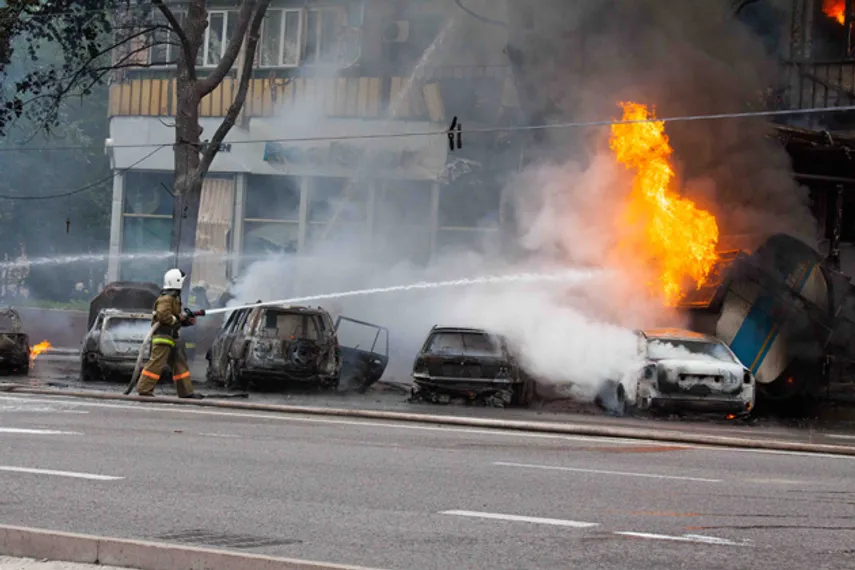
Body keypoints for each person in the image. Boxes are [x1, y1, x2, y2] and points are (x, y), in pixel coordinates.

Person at [136, 268, 204, 399]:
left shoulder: (173, 298)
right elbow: (163, 315)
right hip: (162, 337)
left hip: (172, 337)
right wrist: (178, 318)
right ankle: (144, 389)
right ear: (177, 282)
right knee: (156, 363)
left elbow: (174, 318)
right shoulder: (166, 299)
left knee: (180, 364)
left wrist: (186, 321)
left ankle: (186, 392)